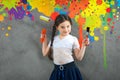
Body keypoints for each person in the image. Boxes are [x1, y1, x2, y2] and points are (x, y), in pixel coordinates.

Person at [41, 14, 89, 80]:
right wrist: (44, 40)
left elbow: (79, 57)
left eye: (68, 26)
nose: (66, 29)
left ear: (71, 25)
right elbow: (44, 53)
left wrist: (83, 46)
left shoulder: (73, 39)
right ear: (57, 27)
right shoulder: (54, 39)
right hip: (57, 71)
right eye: (62, 27)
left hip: (70, 71)